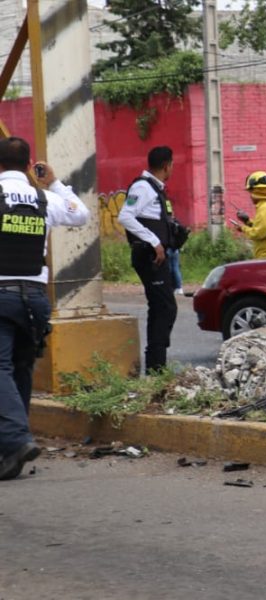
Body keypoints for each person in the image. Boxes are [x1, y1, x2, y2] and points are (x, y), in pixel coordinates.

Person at [0, 136, 90, 480]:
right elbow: (81, 215)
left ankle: (17, 439)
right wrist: (54, 183)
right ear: (28, 165)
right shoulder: (44, 198)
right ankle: (13, 449)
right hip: (35, 300)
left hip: (2, 295)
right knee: (21, 369)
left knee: (1, 368)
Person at [118, 146, 179, 374]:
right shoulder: (143, 187)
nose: (172, 169)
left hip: (155, 256)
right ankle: (156, 366)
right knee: (165, 307)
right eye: (172, 165)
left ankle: (156, 366)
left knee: (161, 307)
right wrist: (154, 241)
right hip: (149, 256)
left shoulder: (154, 188)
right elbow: (125, 216)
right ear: (166, 165)